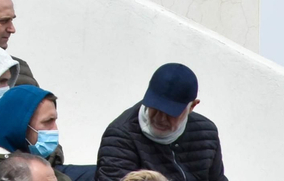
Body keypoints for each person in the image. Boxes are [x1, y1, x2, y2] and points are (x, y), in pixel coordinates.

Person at [93, 64, 224, 181]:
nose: (160, 118)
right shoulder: (119, 137)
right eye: (155, 108)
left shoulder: (207, 133)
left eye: (170, 113)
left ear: (192, 106)